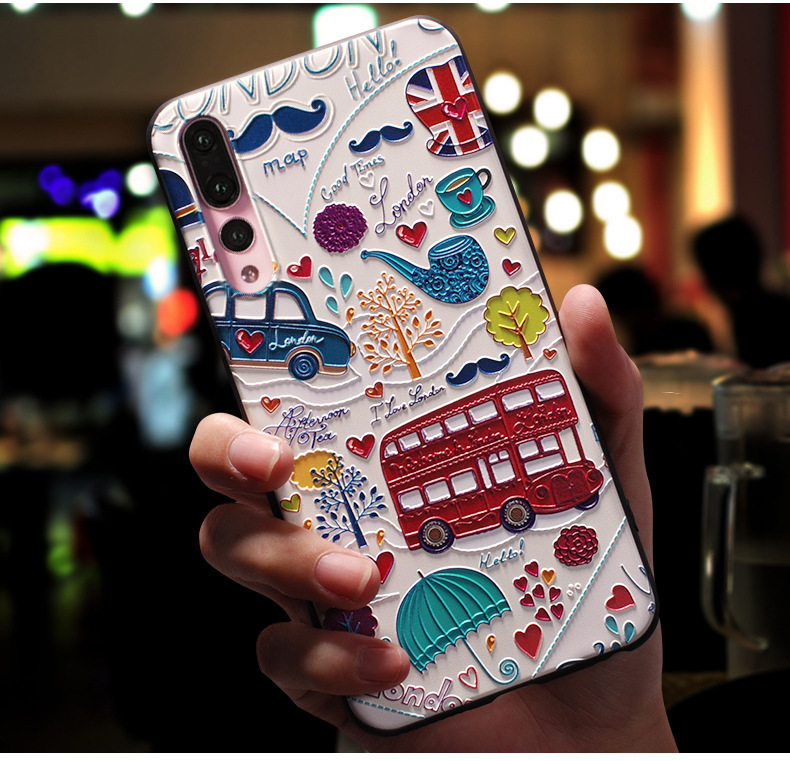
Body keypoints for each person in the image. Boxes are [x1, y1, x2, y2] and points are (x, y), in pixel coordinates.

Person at [189, 285, 678, 752]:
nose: (545, 457)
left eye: (547, 452)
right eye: (540, 452)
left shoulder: (546, 448)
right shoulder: (437, 483)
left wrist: (614, 739)